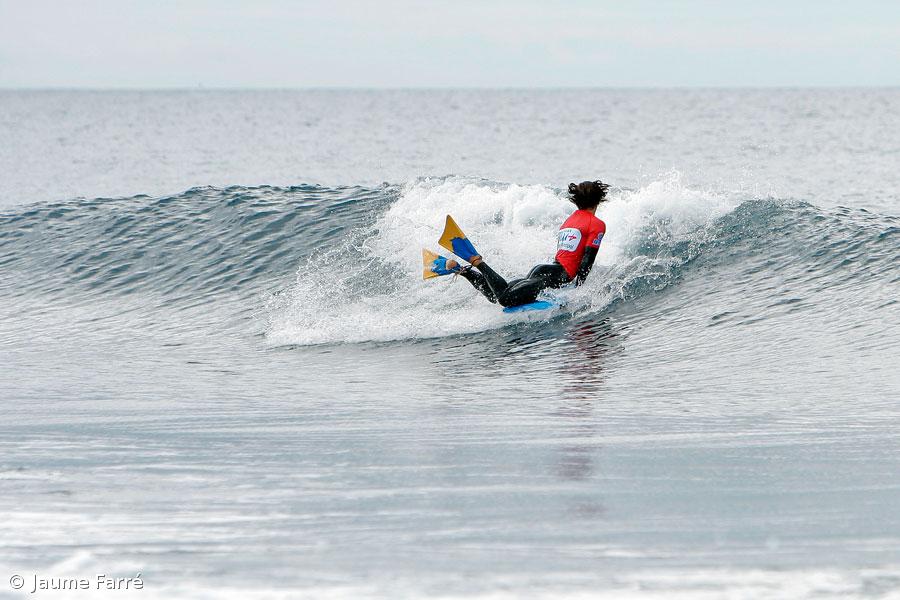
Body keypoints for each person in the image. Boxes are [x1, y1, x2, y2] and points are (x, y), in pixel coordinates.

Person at [427, 180, 609, 307]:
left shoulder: (569, 221)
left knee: (496, 293)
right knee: (505, 299)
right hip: (554, 276)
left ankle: (462, 270)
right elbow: (586, 261)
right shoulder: (597, 224)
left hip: (546, 270)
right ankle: (477, 261)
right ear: (597, 200)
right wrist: (579, 290)